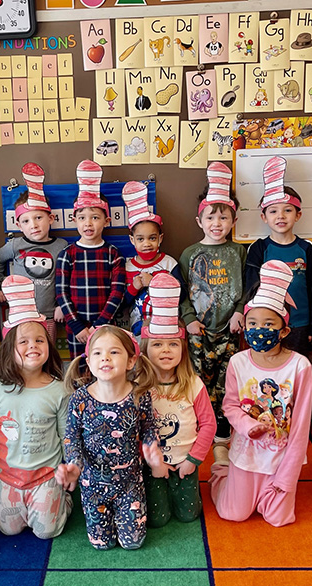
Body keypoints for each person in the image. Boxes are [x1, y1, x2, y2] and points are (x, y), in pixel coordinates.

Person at [210, 260, 312, 527]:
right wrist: (248, 426)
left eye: (269, 324)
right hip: (246, 455)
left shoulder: (300, 366)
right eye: (253, 322)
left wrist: (286, 478)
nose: (260, 330)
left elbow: (301, 427)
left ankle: (265, 491)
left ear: (284, 330)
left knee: (278, 518)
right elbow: (230, 405)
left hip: (280, 460)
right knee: (233, 514)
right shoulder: (238, 362)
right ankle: (222, 472)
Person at [0, 275, 72, 539]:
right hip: (7, 474)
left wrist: (71, 466)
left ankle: (63, 500)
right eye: (24, 342)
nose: (33, 346)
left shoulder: (57, 387)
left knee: (46, 532)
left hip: (46, 474)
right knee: (9, 529)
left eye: (39, 341)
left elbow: (66, 434)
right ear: (9, 347)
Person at [56, 325, 167, 550]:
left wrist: (154, 454)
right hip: (92, 486)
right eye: (97, 353)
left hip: (130, 484)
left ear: (130, 361)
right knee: (101, 544)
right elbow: (71, 438)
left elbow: (148, 428)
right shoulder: (80, 398)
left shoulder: (139, 395)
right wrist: (74, 467)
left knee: (133, 542)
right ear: (89, 361)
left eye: (114, 352)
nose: (105, 358)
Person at [178, 162, 246, 460]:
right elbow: (181, 293)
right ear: (199, 220)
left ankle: (222, 427)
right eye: (211, 217)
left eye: (224, 217)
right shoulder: (189, 254)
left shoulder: (240, 252)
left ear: (233, 219)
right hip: (198, 332)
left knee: (226, 380)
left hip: (230, 329)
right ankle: (199, 426)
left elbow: (249, 287)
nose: (217, 223)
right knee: (198, 380)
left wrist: (239, 311)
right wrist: (189, 319)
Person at [140, 274, 216, 527]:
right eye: (158, 344)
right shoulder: (139, 389)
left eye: (173, 344)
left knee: (188, 515)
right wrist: (153, 463)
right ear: (144, 350)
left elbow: (208, 425)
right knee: (157, 520)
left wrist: (192, 460)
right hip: (153, 465)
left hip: (186, 462)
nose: (165, 350)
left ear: (183, 349)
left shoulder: (193, 384)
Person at [245, 156, 312, 356]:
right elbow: (251, 289)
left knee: (295, 371)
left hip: (300, 323)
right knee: (267, 367)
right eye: (273, 211)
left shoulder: (308, 249)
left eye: (287, 210)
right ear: (264, 217)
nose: (280, 216)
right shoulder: (258, 249)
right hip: (267, 324)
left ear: (298, 215)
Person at [55, 160, 126, 358]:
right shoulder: (67, 254)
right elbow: (61, 293)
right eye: (82, 217)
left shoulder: (113, 254)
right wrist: (77, 326)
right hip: (75, 329)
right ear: (74, 220)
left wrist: (99, 325)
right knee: (79, 370)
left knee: (105, 366)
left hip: (104, 327)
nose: (88, 223)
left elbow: (117, 293)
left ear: (107, 221)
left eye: (95, 217)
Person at [0, 163, 68, 342]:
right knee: (20, 354)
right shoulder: (15, 245)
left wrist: (62, 306)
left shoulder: (61, 246)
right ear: (18, 225)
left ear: (51, 218)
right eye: (25, 221)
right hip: (20, 314)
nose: (33, 225)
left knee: (46, 353)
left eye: (38, 218)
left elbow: (67, 279)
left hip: (49, 314)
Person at [120, 180, 183, 338]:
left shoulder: (169, 264)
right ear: (132, 240)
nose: (147, 244)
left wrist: (154, 283)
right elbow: (121, 303)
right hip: (137, 332)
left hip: (167, 330)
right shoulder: (127, 266)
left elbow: (182, 296)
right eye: (140, 239)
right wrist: (133, 287)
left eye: (152, 238)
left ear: (160, 238)